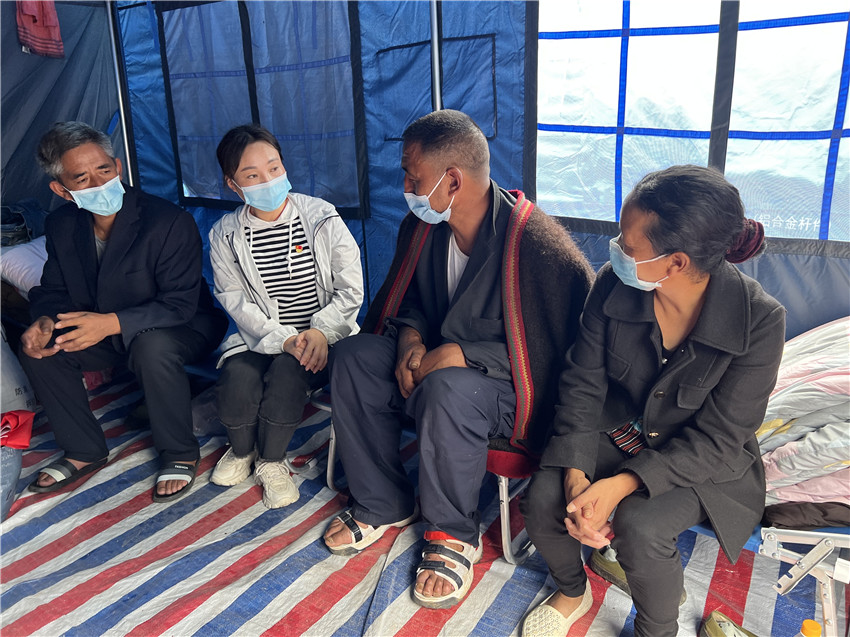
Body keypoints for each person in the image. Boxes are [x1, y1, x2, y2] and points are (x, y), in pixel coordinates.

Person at [322, 109, 594, 609]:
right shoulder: (422, 227)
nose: (406, 187)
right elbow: (410, 300)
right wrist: (410, 340)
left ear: (452, 180)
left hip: (510, 390)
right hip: (433, 364)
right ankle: (382, 501)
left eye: (413, 177)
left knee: (450, 388)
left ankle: (452, 533)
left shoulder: (536, 244)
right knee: (354, 355)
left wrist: (460, 355)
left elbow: (558, 353)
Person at [520, 165, 786, 637]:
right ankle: (572, 591)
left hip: (701, 462)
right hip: (620, 430)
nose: (616, 250)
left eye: (628, 244)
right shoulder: (613, 283)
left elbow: (721, 438)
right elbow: (582, 382)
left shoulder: (760, 321)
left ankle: (656, 630)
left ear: (675, 262)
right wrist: (577, 472)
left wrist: (619, 486)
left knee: (640, 526)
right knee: (544, 497)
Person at [20, 121, 228, 502]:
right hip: (106, 328)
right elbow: (52, 290)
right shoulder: (62, 225)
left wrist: (111, 323)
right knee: (42, 346)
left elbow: (180, 303)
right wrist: (45, 320)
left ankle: (179, 451)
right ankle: (84, 449)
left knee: (151, 346)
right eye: (82, 178)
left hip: (184, 325)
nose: (99, 183)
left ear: (118, 166)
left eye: (104, 170)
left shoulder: (167, 221)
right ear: (61, 190)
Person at [207, 124, 363, 509]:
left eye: (274, 168)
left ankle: (271, 461)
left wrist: (320, 332)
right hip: (258, 336)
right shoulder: (225, 235)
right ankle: (242, 451)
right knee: (237, 378)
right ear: (232, 184)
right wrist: (282, 339)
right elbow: (233, 299)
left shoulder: (321, 217)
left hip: (321, 338)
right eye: (252, 175)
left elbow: (351, 288)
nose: (268, 180)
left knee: (287, 375)